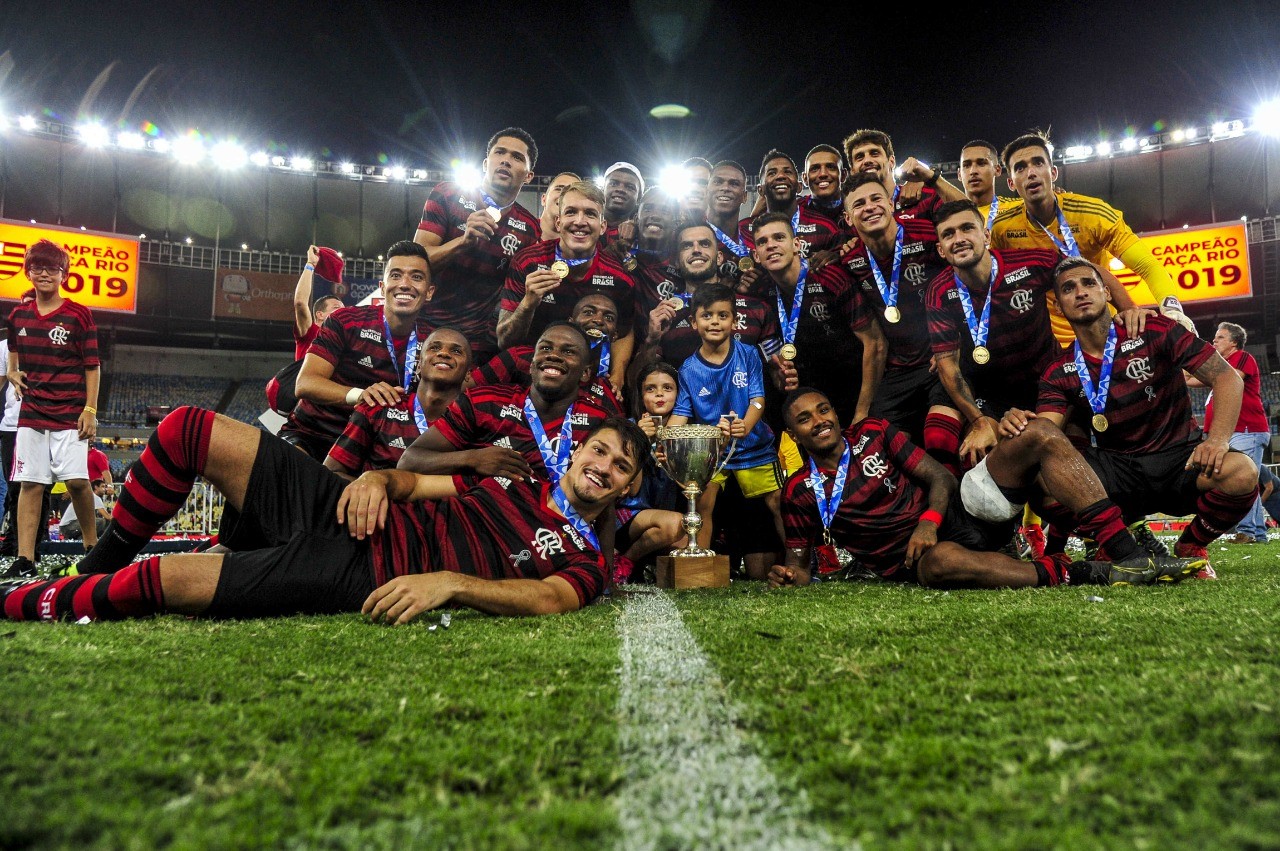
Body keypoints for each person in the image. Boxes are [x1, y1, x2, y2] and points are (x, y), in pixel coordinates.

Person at [3, 407, 648, 621]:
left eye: (621, 467)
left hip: (357, 570)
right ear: (578, 449)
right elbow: (415, 483)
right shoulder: (516, 484)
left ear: (626, 488)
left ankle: (28, 603)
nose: (604, 466)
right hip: (342, 506)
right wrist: (376, 477)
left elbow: (550, 599)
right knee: (187, 429)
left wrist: (449, 583)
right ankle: (92, 565)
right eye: (600, 450)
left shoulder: (588, 557)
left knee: (170, 581)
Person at [769, 387, 1205, 588]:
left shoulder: (874, 432)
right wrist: (792, 575)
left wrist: (929, 520)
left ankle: (1126, 554)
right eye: (804, 419)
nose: (820, 420)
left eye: (823, 409)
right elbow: (800, 563)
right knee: (939, 564)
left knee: (1038, 434)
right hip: (924, 558)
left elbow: (938, 476)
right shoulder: (799, 491)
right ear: (794, 435)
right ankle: (1085, 572)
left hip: (962, 507)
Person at [999, 257, 1260, 578]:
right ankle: (1110, 541)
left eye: (1088, 283)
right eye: (1068, 288)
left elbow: (1227, 377)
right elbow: (1047, 435)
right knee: (1042, 484)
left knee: (1243, 472)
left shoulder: (1155, 329)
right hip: (1118, 476)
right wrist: (1017, 422)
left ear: (1106, 292)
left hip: (1181, 461)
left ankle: (1192, 544)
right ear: (1057, 304)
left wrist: (1218, 440)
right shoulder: (1059, 371)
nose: (1080, 292)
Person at [925, 199, 1075, 470]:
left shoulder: (1034, 261)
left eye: (967, 228)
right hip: (987, 386)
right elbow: (947, 367)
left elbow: (1085, 272)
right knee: (947, 441)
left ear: (985, 235)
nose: (958, 239)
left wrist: (1127, 312)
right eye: (948, 234)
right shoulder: (938, 291)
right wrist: (979, 421)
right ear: (941, 249)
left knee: (1051, 459)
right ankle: (955, 507)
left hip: (1043, 380)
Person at [989, 132, 1175, 346]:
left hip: (1103, 330)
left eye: (1038, 163)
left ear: (1053, 172)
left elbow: (1149, 266)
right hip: (1046, 342)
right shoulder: (1001, 229)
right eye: (1020, 167)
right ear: (1011, 183)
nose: (1031, 173)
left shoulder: (1093, 214)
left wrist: (1172, 310)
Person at [665, 285, 785, 579]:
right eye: (707, 315)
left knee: (778, 502)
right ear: (694, 322)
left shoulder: (749, 355)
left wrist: (748, 422)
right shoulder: (688, 369)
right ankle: (697, 569)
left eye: (723, 315)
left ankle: (798, 560)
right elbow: (680, 414)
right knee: (703, 502)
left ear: (735, 321)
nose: (715, 322)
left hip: (755, 447)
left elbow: (758, 397)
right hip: (714, 454)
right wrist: (664, 441)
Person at [398, 323, 613, 486]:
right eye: (545, 348)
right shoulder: (483, 403)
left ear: (585, 373)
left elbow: (607, 505)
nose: (554, 356)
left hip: (561, 538)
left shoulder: (602, 424)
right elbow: (410, 461)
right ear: (531, 365)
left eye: (569, 352)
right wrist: (473, 458)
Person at [279, 241, 437, 460]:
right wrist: (361, 395)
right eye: (396, 275)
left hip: (375, 445)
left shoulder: (434, 340)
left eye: (416, 277)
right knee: (286, 470)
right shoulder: (345, 321)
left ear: (429, 292)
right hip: (315, 435)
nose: (405, 284)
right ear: (382, 287)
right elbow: (305, 383)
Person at [4, 240, 101, 579]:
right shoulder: (18, 316)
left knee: (77, 482)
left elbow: (92, 365)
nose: (44, 272)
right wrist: (13, 371)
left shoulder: (78, 314)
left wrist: (90, 409)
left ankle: (92, 548)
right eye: (37, 266)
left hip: (69, 413)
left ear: (64, 273)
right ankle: (25, 558)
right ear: (27, 271)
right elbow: (12, 347)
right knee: (30, 484)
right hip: (32, 414)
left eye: (52, 267)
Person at [839, 172, 950, 443]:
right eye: (859, 204)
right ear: (848, 218)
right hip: (900, 369)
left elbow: (966, 287)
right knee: (875, 444)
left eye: (876, 199)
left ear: (891, 204)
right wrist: (861, 412)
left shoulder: (929, 236)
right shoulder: (851, 262)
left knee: (940, 439)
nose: (869, 207)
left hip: (942, 358)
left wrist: (951, 345)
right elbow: (872, 338)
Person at [414, 128, 542, 359]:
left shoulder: (530, 228)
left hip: (477, 343)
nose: (505, 160)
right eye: (499, 152)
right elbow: (416, 263)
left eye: (517, 157)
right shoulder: (447, 194)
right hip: (423, 326)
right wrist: (463, 242)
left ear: (528, 176)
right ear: (486, 163)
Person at [497, 181, 637, 392]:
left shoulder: (619, 278)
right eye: (571, 212)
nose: (580, 221)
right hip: (529, 376)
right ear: (558, 222)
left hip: (589, 378)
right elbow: (504, 340)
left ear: (603, 226)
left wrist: (617, 375)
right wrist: (528, 304)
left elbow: (624, 332)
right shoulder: (527, 263)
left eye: (590, 214)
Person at [756, 210, 885, 426]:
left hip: (857, 391)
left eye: (779, 237)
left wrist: (863, 413)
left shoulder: (829, 276)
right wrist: (778, 375)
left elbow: (876, 343)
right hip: (810, 401)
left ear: (797, 244)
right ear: (756, 256)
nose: (770, 245)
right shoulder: (761, 292)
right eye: (762, 242)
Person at [324, 328, 472, 479]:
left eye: (456, 351)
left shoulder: (475, 425)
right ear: (419, 365)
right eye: (434, 348)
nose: (444, 353)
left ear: (468, 373)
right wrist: (370, 493)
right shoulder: (380, 407)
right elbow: (331, 473)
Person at [635, 220, 781, 373]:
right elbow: (638, 382)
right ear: (677, 261)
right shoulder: (665, 316)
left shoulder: (757, 309)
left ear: (719, 258)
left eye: (704, 244)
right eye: (687, 245)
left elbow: (777, 372)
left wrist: (782, 376)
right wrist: (651, 341)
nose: (696, 250)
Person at [470, 293, 623, 415]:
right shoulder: (518, 357)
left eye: (608, 318)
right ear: (570, 320)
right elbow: (463, 391)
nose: (598, 320)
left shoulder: (608, 388)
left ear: (615, 335)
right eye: (588, 312)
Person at [1187, 322, 1270, 544]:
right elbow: (1191, 380)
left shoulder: (1242, 358)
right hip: (1232, 433)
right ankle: (1256, 532)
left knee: (1243, 480)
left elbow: (1224, 379)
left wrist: (1198, 367)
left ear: (1234, 342)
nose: (1214, 341)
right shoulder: (1222, 366)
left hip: (1246, 429)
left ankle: (1248, 532)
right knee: (1240, 480)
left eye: (1220, 337)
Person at [841, 128, 965, 222]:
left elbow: (971, 217)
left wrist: (931, 178)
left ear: (892, 161)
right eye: (859, 157)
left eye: (874, 153)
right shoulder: (853, 214)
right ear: (852, 170)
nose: (867, 160)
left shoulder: (923, 198)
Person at [738, 150, 841, 260]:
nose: (781, 176)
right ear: (760, 189)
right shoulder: (744, 230)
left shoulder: (826, 227)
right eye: (772, 173)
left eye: (788, 172)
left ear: (799, 187)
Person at [291, 245, 346, 360]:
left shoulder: (344, 343)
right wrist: (311, 264)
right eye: (336, 307)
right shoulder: (311, 333)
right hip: (301, 378)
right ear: (320, 314)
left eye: (343, 309)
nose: (342, 312)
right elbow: (300, 302)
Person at [957, 140, 1011, 230]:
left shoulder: (1019, 208)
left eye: (981, 164)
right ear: (959, 174)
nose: (973, 171)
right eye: (967, 165)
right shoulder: (949, 217)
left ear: (997, 170)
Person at [601, 162, 644, 243]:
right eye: (613, 183)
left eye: (630, 187)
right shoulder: (583, 224)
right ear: (603, 189)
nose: (620, 189)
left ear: (639, 197)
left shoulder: (642, 236)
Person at [538, 171, 581, 241]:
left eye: (573, 191)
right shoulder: (520, 233)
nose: (564, 196)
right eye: (559, 189)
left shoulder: (588, 245)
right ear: (544, 199)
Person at [678, 157, 713, 221]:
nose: (695, 189)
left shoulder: (729, 229)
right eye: (688, 182)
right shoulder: (664, 227)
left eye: (703, 183)